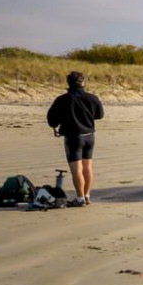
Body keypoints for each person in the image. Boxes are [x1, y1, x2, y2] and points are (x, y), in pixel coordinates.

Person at [46, 71, 104, 205]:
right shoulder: (92, 98)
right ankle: (87, 195)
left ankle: (80, 198)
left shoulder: (62, 99)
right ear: (82, 82)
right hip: (89, 136)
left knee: (76, 169)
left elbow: (51, 118)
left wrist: (55, 126)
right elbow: (100, 115)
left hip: (73, 137)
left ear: (68, 83)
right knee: (88, 167)